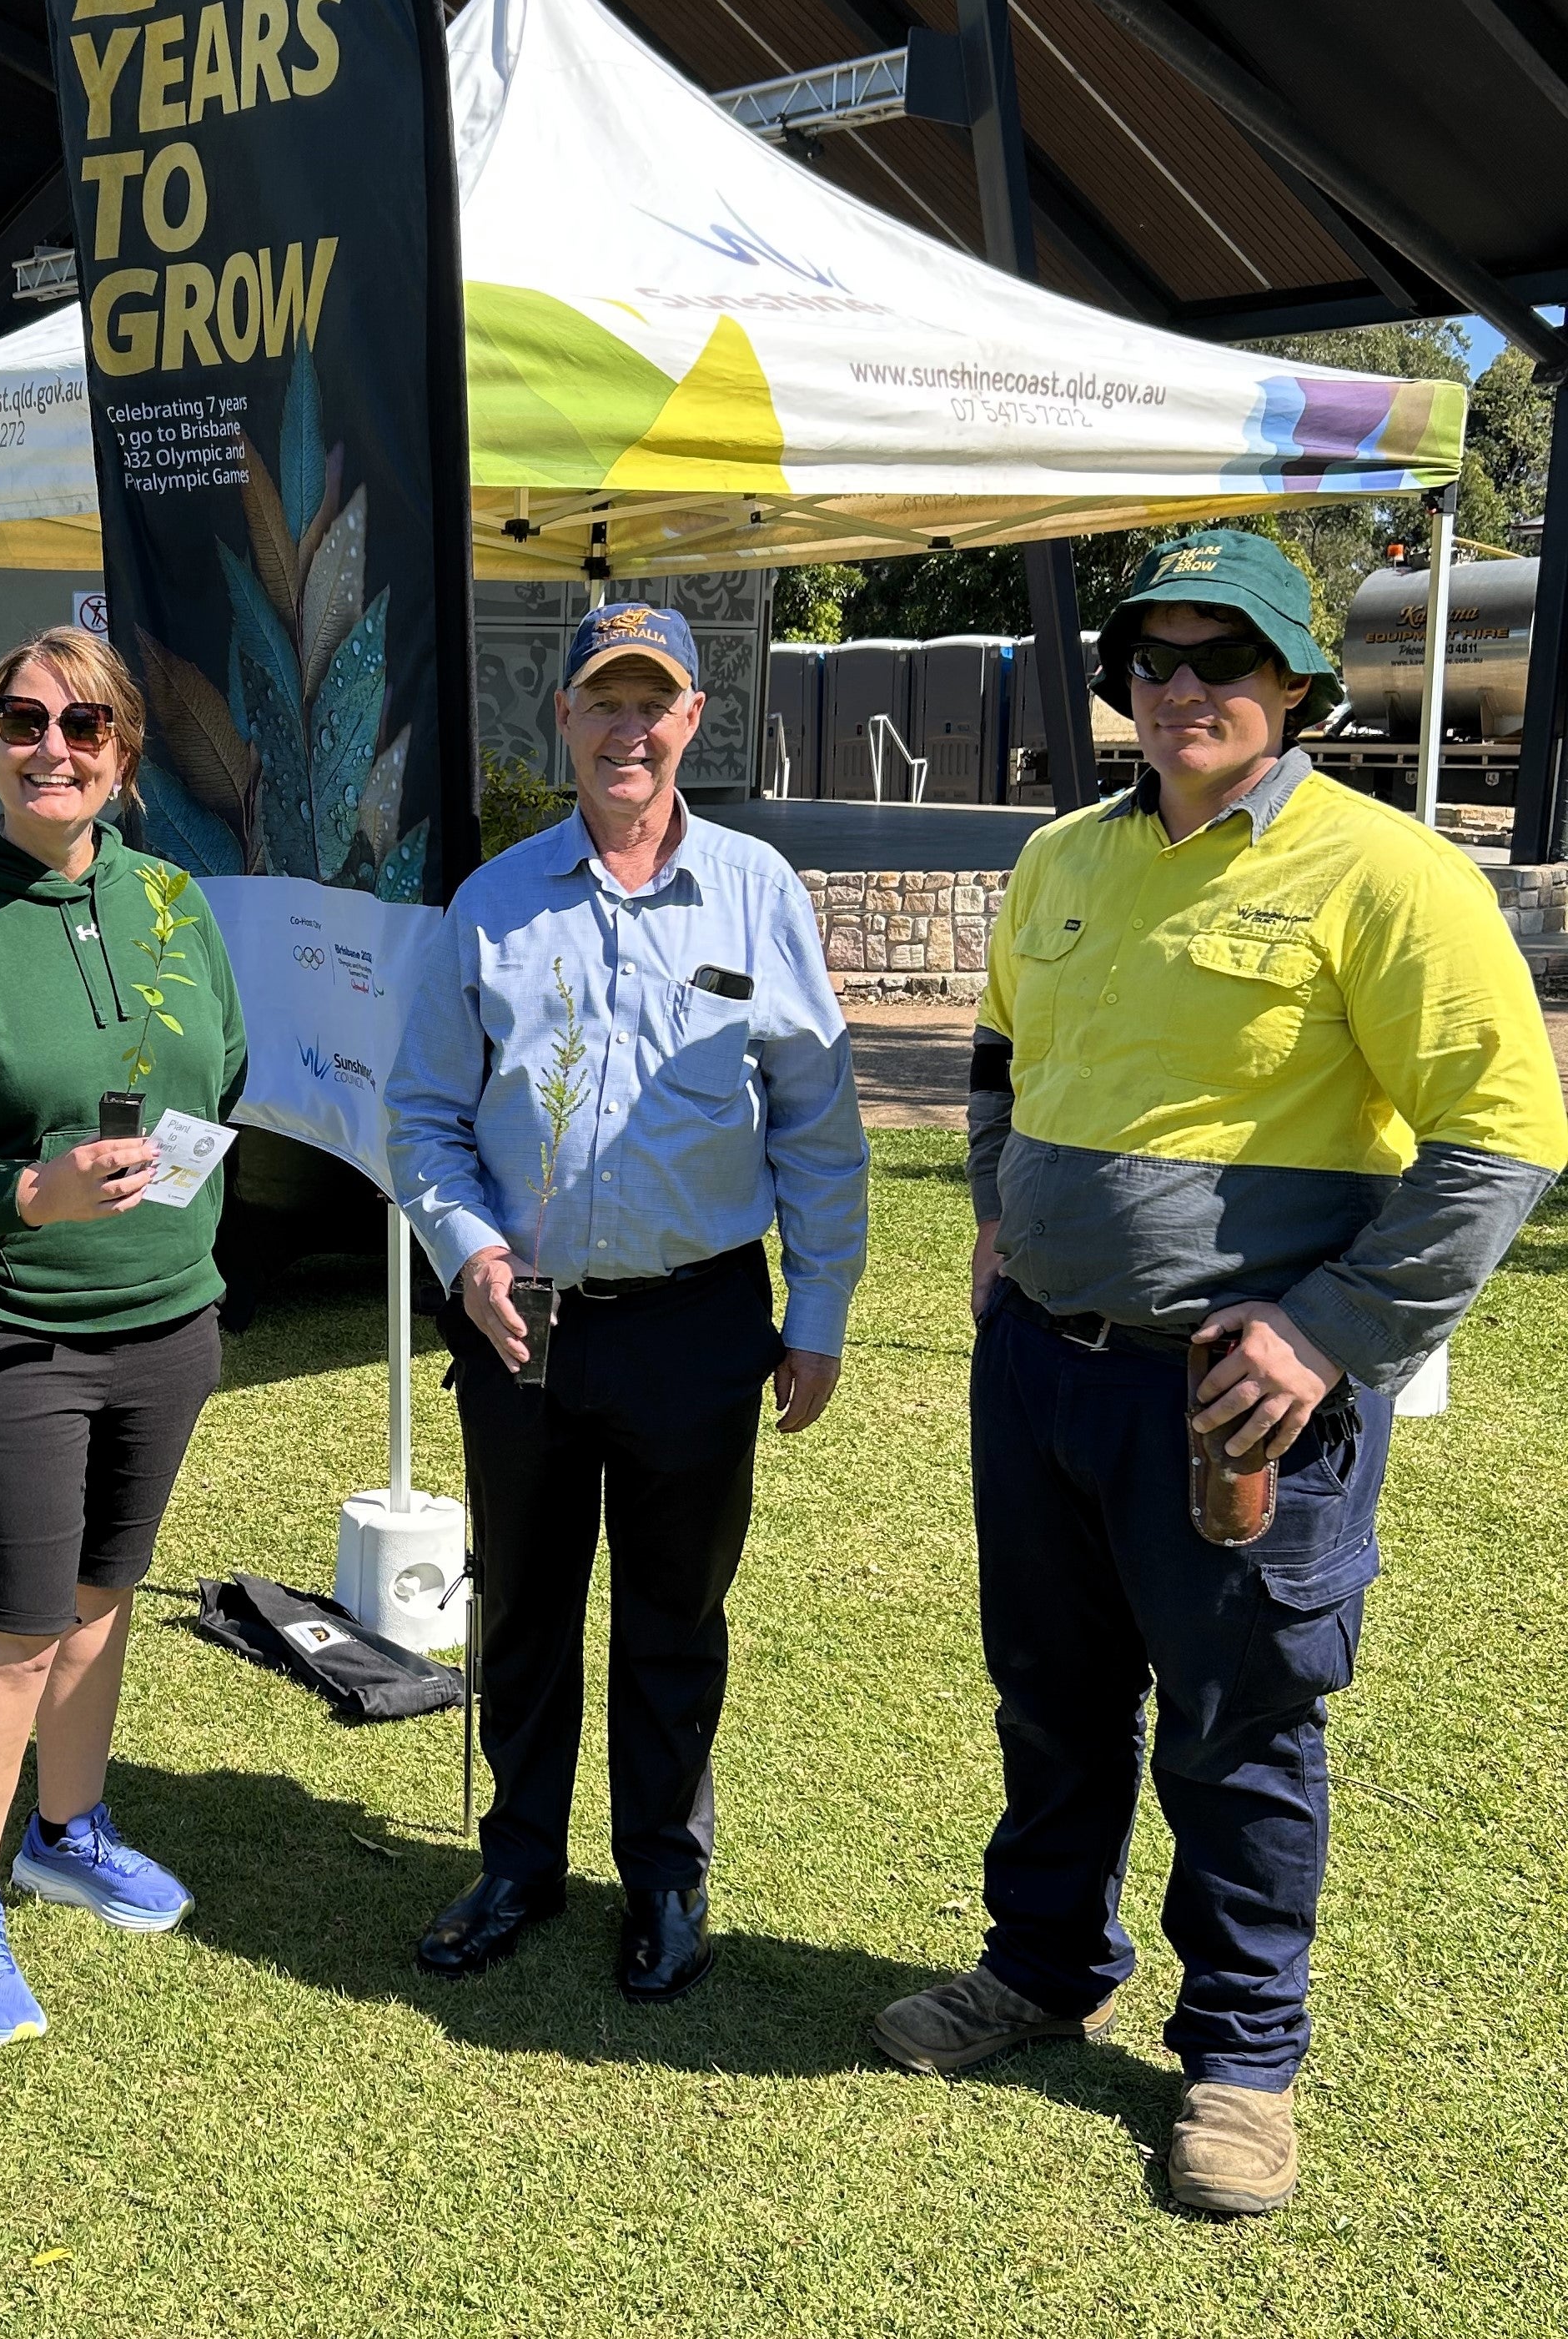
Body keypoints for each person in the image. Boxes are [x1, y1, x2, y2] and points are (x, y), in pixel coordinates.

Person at [872, 531, 1566, 2214]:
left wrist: (1328, 1330)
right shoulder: (1060, 858)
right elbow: (1000, 1055)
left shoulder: (1387, 874)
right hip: (1040, 1369)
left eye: (1225, 657)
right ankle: (1043, 1963)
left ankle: (1244, 2055)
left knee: (1240, 1723)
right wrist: (998, 1205)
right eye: (1155, 657)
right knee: (1049, 1692)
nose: (1184, 686)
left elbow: (1504, 1130)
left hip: (1236, 1398)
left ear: (1301, 685)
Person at [387, 600, 868, 2001]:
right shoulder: (493, 902)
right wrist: (467, 1248)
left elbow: (815, 1122)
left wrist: (819, 1307)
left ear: (693, 722)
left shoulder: (757, 892)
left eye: (653, 703)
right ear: (565, 717)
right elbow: (422, 1113)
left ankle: (662, 1872)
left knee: (673, 1613)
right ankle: (519, 1857)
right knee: (524, 1605)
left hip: (695, 1319)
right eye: (604, 700)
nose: (628, 729)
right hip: (519, 1316)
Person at [0, 627, 245, 2046]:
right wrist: (28, 1189)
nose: (53, 745)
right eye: (24, 720)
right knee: (8, 1627)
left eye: (84, 724)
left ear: (123, 755)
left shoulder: (174, 905)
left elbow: (226, 1065)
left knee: (97, 1596)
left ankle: (63, 1831)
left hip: (166, 1321)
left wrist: (161, 1213)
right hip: (5, 1332)